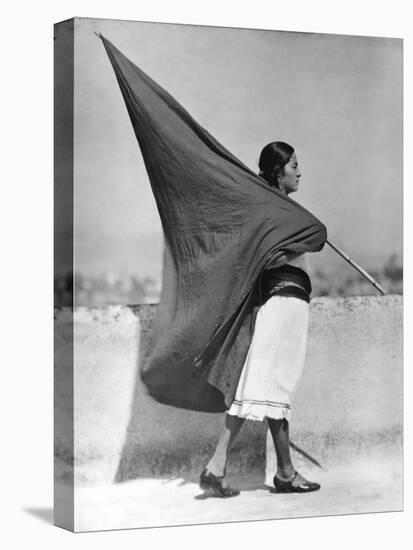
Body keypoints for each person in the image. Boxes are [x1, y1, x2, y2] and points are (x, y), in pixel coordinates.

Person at [199, 142, 321, 497]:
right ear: (278, 172)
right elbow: (265, 255)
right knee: (265, 387)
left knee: (265, 389)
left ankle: (277, 471)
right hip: (283, 302)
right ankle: (224, 464)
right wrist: (300, 236)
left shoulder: (278, 210)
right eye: (294, 166)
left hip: (285, 301)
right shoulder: (272, 211)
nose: (299, 172)